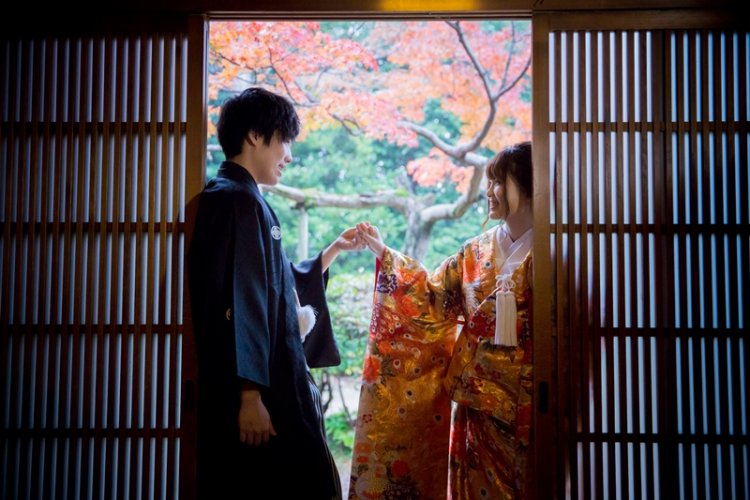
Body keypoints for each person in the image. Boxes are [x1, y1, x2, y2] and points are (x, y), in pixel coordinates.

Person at [187, 87, 362, 500]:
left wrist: (332, 252)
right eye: (285, 140)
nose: (289, 156)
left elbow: (276, 286)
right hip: (261, 391)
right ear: (254, 136)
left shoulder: (241, 197)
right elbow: (243, 300)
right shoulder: (236, 200)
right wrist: (249, 395)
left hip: (267, 383)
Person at [350, 141, 534, 499]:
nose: (489, 191)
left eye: (499, 181)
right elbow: (429, 299)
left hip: (532, 405)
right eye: (490, 181)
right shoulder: (474, 251)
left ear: (529, 186)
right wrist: (386, 254)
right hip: (476, 410)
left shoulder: (557, 252)